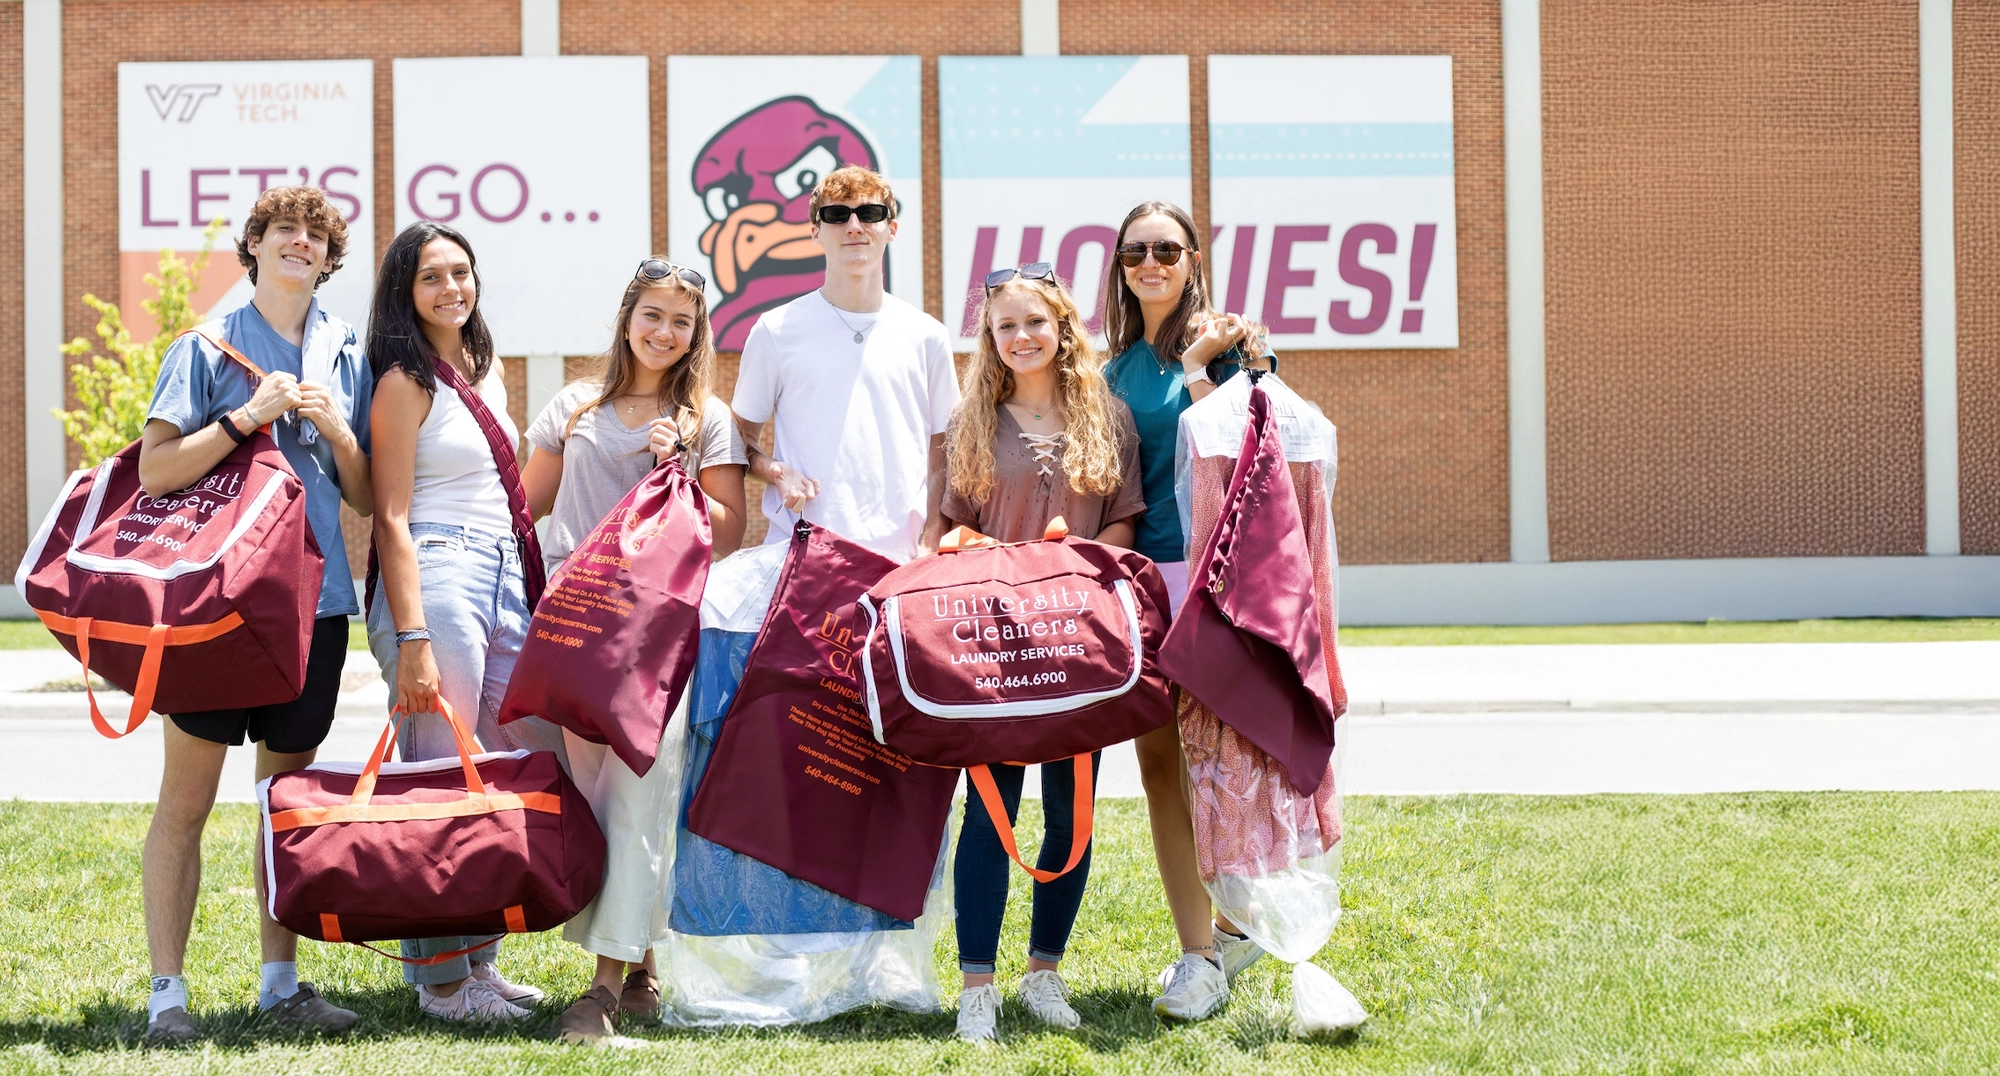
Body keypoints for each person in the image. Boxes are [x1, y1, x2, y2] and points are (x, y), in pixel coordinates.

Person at [136, 185, 373, 1043]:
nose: (299, 244)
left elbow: (365, 493)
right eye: (284, 232)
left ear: (329, 258)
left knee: (285, 802)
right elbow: (157, 471)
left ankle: (282, 984)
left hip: (317, 605)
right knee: (187, 801)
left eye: (316, 236)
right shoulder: (205, 344)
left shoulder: (345, 349)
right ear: (256, 247)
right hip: (215, 606)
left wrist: (335, 427)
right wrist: (247, 416)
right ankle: (169, 996)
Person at [519, 258, 748, 1042]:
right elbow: (528, 507)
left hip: (656, 642)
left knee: (642, 795)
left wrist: (679, 472)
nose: (665, 332)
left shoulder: (705, 418)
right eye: (653, 314)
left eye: (681, 321)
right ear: (627, 318)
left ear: (696, 334)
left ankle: (602, 991)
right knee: (598, 797)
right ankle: (646, 966)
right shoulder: (576, 406)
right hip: (577, 632)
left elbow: (730, 528)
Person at [365, 221, 566, 1021]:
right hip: (437, 572)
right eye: (431, 277)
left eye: (461, 272)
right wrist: (412, 637)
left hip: (503, 575)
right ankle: (442, 982)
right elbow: (389, 517)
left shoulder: (484, 372)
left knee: (497, 769)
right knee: (440, 773)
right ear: (405, 294)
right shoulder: (403, 382)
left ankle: (480, 963)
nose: (452, 287)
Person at [940, 265, 1145, 1043]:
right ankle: (976, 987)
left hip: (1075, 645)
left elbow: (1126, 521)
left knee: (1072, 814)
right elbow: (950, 528)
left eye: (1034, 322)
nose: (1021, 337)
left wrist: (1079, 562)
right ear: (990, 341)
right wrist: (991, 554)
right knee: (991, 815)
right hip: (995, 646)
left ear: (1062, 326)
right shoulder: (973, 421)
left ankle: (1044, 974)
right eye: (1005, 327)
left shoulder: (1108, 416)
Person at [1100, 200, 1272, 1021]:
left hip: (1218, 580)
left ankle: (1239, 925)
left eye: (1167, 249)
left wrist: (1207, 360)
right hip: (1144, 584)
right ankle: (1197, 952)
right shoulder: (1110, 372)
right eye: (1136, 252)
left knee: (1228, 763)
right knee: (1160, 765)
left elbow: (1254, 453)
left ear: (1193, 256)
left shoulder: (1236, 345)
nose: (1151, 264)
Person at [731, 165, 959, 563]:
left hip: (905, 562)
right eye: (837, 215)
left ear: (892, 228)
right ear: (815, 231)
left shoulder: (928, 335)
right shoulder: (775, 330)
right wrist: (775, 472)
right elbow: (738, 443)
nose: (854, 226)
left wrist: (933, 535)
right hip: (801, 557)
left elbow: (945, 452)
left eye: (869, 214)